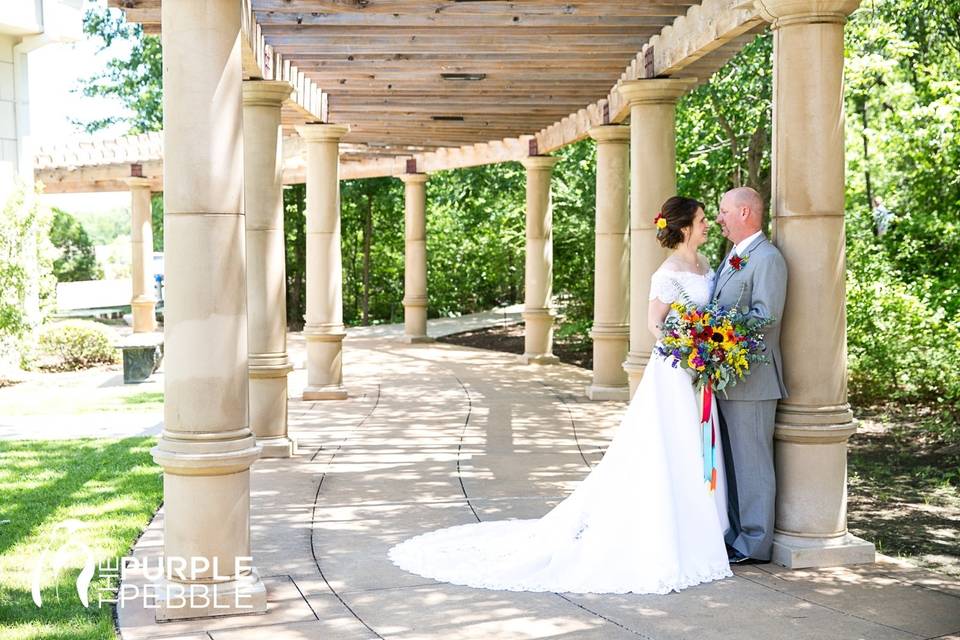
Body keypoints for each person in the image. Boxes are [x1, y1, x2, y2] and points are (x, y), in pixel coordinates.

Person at [388, 196, 733, 594]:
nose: (708, 224)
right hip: (674, 369)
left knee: (696, 443)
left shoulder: (705, 265)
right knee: (670, 445)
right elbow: (655, 324)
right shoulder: (668, 271)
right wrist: (689, 346)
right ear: (685, 226)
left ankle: (702, 526)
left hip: (697, 371)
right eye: (703, 219)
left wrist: (708, 347)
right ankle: (668, 529)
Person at [713, 187, 788, 565]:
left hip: (754, 379)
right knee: (732, 464)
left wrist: (716, 330)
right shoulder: (735, 256)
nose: (719, 218)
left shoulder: (768, 259)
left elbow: (765, 319)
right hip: (727, 379)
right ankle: (739, 535)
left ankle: (755, 544)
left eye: (724, 211)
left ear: (745, 212)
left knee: (753, 465)